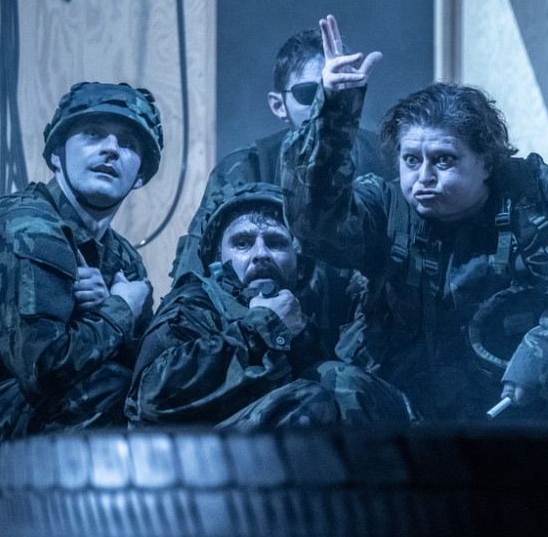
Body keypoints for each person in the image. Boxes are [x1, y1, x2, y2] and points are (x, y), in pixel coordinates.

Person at [280, 15, 548, 423]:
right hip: (407, 406)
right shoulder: (384, 204)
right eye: (411, 160)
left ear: (486, 161)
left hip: (523, 402)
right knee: (334, 382)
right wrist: (332, 114)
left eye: (444, 160)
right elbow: (314, 225)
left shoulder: (531, 191)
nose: (424, 177)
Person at [169, 26, 396, 349]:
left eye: (337, 87)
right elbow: (195, 280)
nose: (324, 100)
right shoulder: (248, 167)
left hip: (369, 347)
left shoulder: (388, 161)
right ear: (278, 105)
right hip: (271, 346)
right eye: (309, 92)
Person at [127, 182, 411, 428]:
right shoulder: (194, 303)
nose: (260, 254)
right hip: (186, 458)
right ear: (217, 259)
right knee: (309, 399)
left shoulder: (297, 318)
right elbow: (148, 399)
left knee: (345, 382)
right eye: (242, 243)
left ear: (300, 265)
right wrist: (263, 327)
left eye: (275, 243)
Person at [0, 82, 159, 440]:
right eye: (93, 134)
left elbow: (149, 375)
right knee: (108, 386)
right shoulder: (28, 224)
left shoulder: (124, 259)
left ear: (140, 176)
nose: (111, 149)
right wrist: (120, 310)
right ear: (57, 154)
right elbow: (42, 368)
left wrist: (110, 307)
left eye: (128, 143)